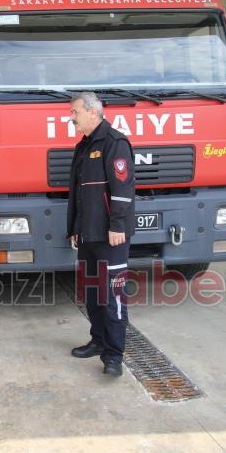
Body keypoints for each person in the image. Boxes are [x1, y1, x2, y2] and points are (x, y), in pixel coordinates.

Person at [66, 92, 135, 377]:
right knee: (93, 293)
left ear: (93, 112)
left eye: (75, 112)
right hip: (88, 236)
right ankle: (97, 340)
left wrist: (118, 226)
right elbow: (78, 195)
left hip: (110, 238)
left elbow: (123, 189)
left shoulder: (114, 143)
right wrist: (74, 229)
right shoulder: (83, 146)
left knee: (113, 295)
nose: (71, 117)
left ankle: (114, 355)